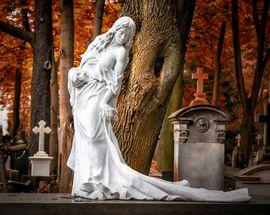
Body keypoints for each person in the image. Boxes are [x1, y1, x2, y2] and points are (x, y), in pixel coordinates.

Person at [67, 16, 250, 202]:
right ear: (116, 28)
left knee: (95, 136)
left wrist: (106, 101)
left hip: (98, 97)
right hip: (83, 95)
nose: (123, 36)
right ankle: (87, 180)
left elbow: (117, 81)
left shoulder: (121, 52)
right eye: (122, 31)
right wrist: (72, 74)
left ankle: (98, 181)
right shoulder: (98, 44)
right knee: (86, 139)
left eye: (127, 34)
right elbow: (82, 68)